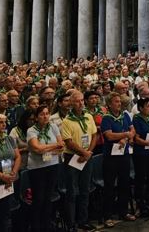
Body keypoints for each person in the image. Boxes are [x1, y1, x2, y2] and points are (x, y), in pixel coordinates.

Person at [59, 89, 96, 231]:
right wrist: (83, 152)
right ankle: (71, 224)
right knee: (72, 191)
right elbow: (68, 142)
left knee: (85, 189)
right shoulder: (67, 121)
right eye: (77, 101)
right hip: (72, 157)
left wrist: (88, 153)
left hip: (87, 155)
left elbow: (94, 135)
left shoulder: (88, 116)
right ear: (71, 104)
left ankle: (83, 220)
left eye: (82, 100)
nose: (80, 103)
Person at [100, 91, 135, 226]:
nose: (119, 103)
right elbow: (109, 135)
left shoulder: (125, 115)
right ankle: (107, 216)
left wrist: (125, 137)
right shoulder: (106, 118)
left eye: (119, 101)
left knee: (124, 184)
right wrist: (124, 135)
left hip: (123, 154)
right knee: (109, 186)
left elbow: (132, 131)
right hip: (110, 157)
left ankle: (123, 211)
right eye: (116, 101)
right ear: (109, 104)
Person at [26, 105, 63, 232]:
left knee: (48, 197)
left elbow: (61, 146)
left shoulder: (53, 127)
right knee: (39, 198)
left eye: (47, 113)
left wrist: (46, 148)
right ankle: (36, 226)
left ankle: (47, 225)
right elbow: (36, 148)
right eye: (42, 114)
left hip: (52, 165)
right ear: (36, 117)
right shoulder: (32, 130)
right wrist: (54, 146)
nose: (45, 116)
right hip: (37, 168)